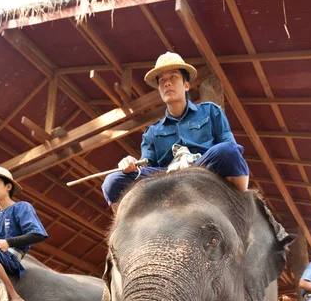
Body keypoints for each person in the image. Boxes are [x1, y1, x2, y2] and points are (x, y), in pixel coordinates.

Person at [102, 52, 250, 213]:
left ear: (186, 85)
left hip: (204, 167)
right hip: (167, 177)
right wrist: (130, 163)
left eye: (173, 77)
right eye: (162, 80)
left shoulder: (210, 111)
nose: (167, 83)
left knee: (228, 151)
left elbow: (231, 147)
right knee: (112, 182)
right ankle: (132, 227)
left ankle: (240, 203)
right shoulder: (152, 132)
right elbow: (145, 166)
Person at [0, 166, 48, 301]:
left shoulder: (22, 207)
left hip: (10, 257)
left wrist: (8, 242)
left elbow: (38, 234)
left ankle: (14, 297)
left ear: (8, 186)